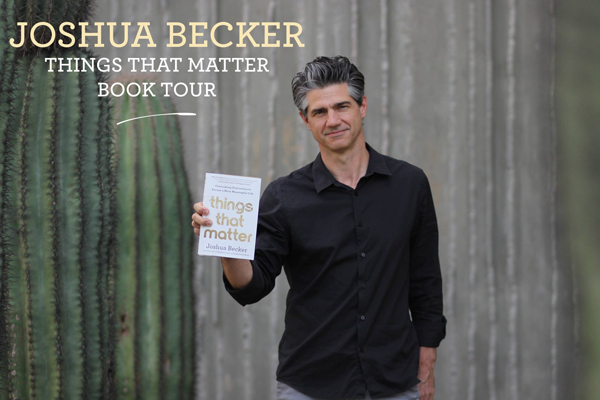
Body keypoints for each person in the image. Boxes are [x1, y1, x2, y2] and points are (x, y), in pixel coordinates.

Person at [191, 56, 446, 400]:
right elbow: (252, 286)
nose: (333, 120)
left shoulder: (409, 184)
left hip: (394, 382)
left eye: (342, 106)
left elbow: (425, 279)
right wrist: (224, 244)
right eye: (319, 112)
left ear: (363, 106)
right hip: (310, 386)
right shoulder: (284, 196)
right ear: (305, 120)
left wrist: (426, 362)